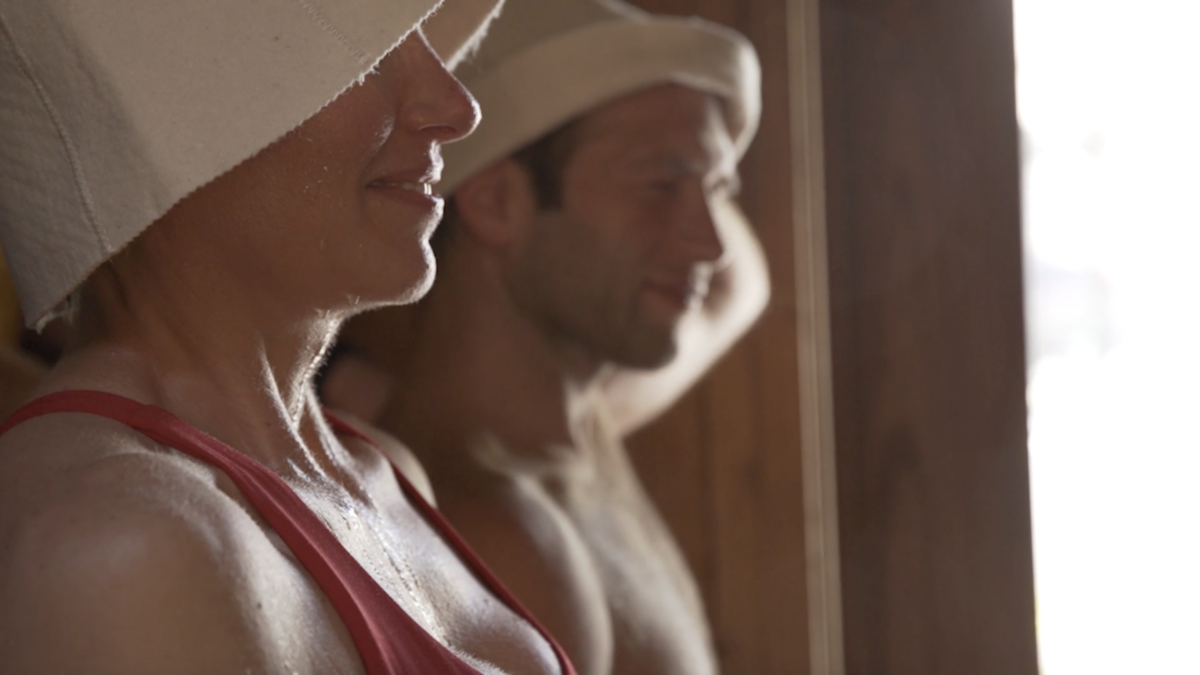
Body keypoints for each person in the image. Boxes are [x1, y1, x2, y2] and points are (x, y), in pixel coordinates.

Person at [0, 2, 577, 673]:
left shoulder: (379, 468)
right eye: (370, 56)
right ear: (166, 118)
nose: (456, 106)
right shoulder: (120, 552)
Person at [332, 1, 769, 672]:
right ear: (498, 202)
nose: (709, 242)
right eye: (659, 185)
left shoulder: (581, 426)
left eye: (714, 190)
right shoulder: (475, 537)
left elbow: (745, 284)